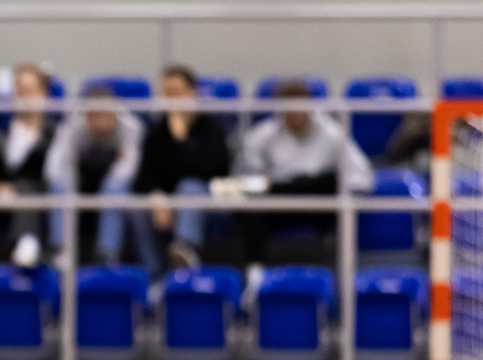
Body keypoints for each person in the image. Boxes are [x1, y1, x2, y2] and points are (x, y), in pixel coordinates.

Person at [234, 78, 374, 263]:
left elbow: (362, 177)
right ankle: (255, 271)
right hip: (277, 203)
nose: (295, 113)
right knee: (251, 209)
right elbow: (245, 181)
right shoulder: (261, 136)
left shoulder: (332, 133)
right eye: (288, 107)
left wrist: (323, 185)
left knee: (334, 189)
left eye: (300, 105)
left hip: (318, 203)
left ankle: (341, 269)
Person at [38, 85, 148, 269]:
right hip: (82, 180)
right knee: (60, 185)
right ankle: (60, 250)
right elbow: (54, 168)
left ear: (114, 114)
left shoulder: (131, 127)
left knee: (114, 187)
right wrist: (70, 185)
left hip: (113, 185)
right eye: (94, 116)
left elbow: (128, 169)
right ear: (86, 115)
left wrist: (107, 186)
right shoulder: (73, 126)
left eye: (104, 115)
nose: (99, 121)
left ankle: (107, 253)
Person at [133, 65, 232, 269]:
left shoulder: (211, 129)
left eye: (175, 92)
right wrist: (157, 194)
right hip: (168, 204)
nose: (171, 99)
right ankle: (154, 274)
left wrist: (181, 141)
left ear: (192, 93)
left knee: (189, 186)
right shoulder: (157, 132)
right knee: (138, 209)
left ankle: (184, 253)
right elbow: (144, 175)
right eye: (166, 93)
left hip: (209, 203)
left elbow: (212, 171)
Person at [0, 63, 57, 267]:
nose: (24, 97)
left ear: (43, 94)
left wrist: (17, 189)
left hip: (36, 203)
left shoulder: (55, 134)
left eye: (30, 90)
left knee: (28, 188)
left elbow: (53, 178)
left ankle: (27, 242)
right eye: (20, 91)